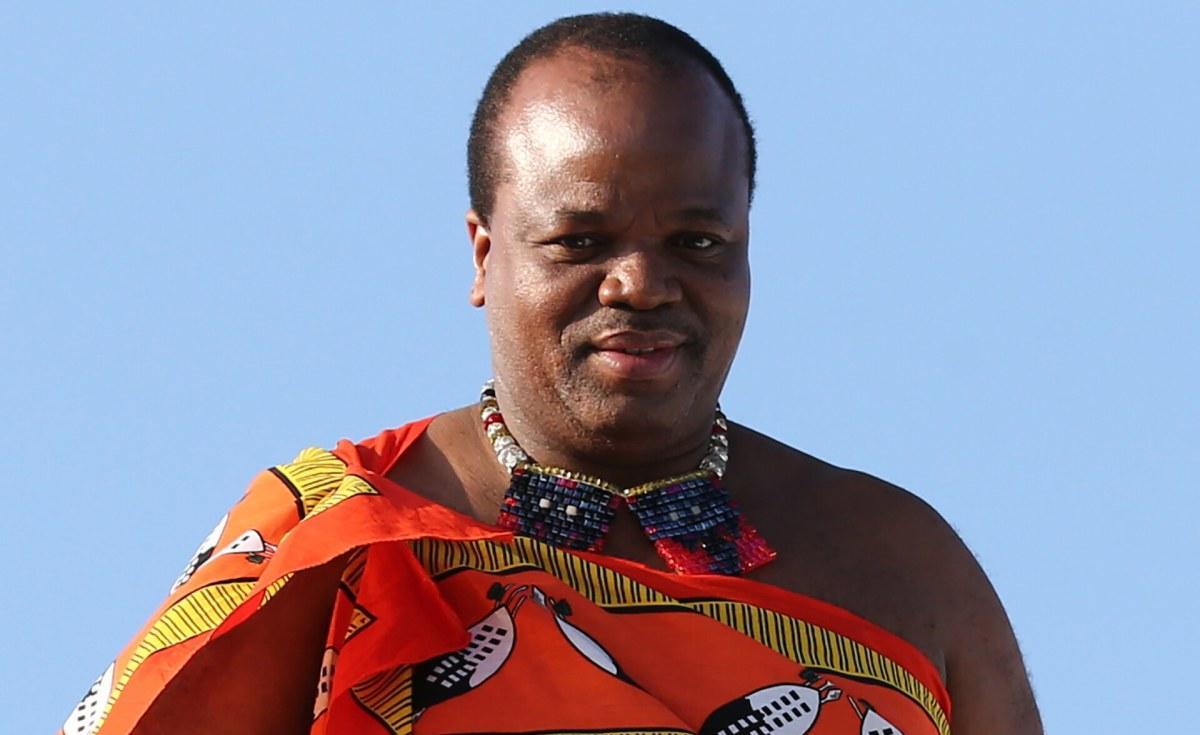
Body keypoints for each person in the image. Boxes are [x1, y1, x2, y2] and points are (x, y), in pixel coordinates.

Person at [61, 13, 1042, 735]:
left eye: (698, 241)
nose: (642, 284)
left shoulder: (905, 565)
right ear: (484, 255)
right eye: (580, 239)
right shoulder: (336, 533)